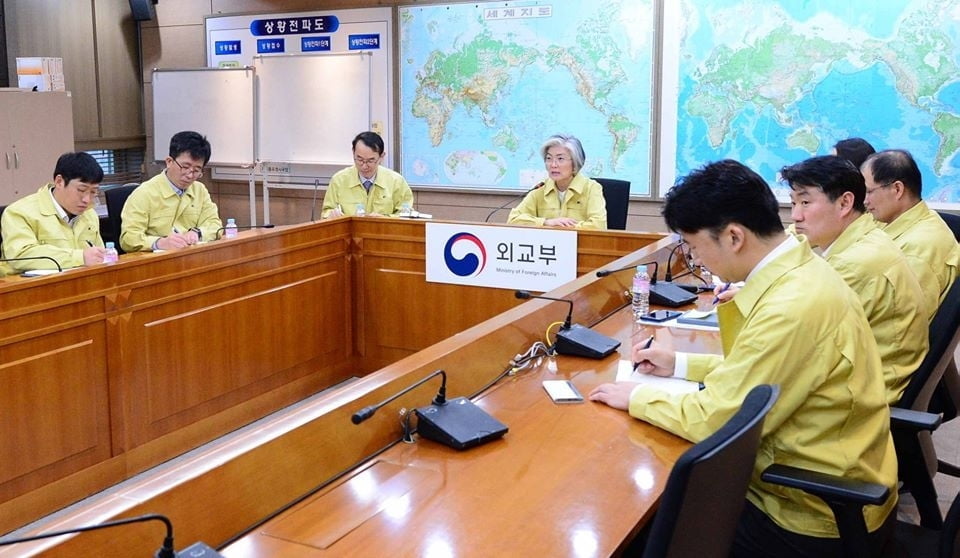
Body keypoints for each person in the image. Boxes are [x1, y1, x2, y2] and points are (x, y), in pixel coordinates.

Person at [589, 160, 896, 557]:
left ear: (734, 236)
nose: (698, 261)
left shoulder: (792, 305)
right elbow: (759, 373)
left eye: (696, 248)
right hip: (822, 473)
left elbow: (717, 421)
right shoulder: (801, 271)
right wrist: (679, 365)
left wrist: (635, 397)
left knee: (636, 532)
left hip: (807, 514)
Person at [782, 155, 929, 403]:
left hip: (859, 395)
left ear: (845, 203)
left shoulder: (852, 263)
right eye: (793, 203)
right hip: (863, 375)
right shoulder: (864, 236)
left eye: (805, 202)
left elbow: (794, 342)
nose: (795, 215)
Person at [862, 149, 959, 312]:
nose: (864, 201)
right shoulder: (893, 219)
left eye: (869, 191)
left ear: (897, 189)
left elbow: (901, 319)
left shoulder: (916, 252)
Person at [1, 152, 106, 271]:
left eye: (93, 192)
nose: (87, 200)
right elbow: (21, 255)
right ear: (59, 182)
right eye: (81, 190)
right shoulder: (19, 212)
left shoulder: (89, 214)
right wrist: (80, 257)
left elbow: (99, 256)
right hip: (33, 286)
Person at [120, 131, 222, 252]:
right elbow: (128, 238)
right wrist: (159, 242)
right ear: (169, 162)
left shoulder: (199, 190)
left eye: (196, 170)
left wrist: (198, 233)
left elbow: (215, 225)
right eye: (185, 167)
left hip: (190, 256)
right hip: (156, 262)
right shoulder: (144, 193)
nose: (189, 175)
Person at [507, 134, 607, 229]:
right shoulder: (541, 188)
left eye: (560, 159)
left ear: (575, 162)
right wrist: (546, 222)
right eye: (549, 158)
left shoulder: (591, 188)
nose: (553, 165)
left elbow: (598, 226)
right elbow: (513, 219)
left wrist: (564, 227)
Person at [321, 131, 413, 218]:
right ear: (353, 152)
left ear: (381, 157)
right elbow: (326, 213)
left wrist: (386, 220)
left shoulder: (396, 182)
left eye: (370, 160)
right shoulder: (339, 180)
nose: (364, 166)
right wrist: (330, 215)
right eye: (360, 159)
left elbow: (406, 216)